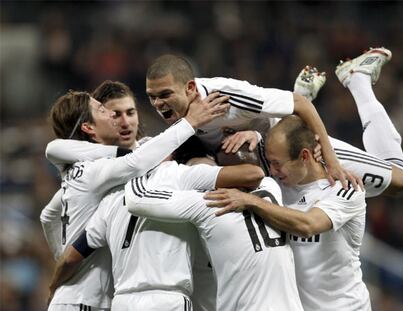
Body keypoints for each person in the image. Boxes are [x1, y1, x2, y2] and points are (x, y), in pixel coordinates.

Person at [41, 81, 229, 310]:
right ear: (89, 127)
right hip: (88, 300)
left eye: (130, 112)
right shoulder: (97, 171)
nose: (118, 119)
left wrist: (59, 259)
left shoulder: (80, 170)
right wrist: (189, 122)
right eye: (106, 112)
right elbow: (135, 163)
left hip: (87, 297)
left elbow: (48, 216)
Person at [47, 139, 265, 310]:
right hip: (168, 298)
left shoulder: (111, 197)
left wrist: (53, 286)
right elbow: (252, 174)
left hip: (122, 301)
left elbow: (71, 258)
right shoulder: (180, 175)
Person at [205, 115, 371, 311]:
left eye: (277, 163)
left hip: (346, 308)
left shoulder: (346, 190)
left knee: (400, 179)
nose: (272, 171)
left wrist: (251, 201)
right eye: (269, 162)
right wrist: (253, 135)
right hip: (296, 307)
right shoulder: (279, 185)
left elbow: (308, 225)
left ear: (305, 156)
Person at [123, 155, 304, 310]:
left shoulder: (207, 203)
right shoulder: (271, 186)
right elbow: (256, 172)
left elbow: (136, 199)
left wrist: (140, 166)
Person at [146, 54, 349, 187]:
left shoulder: (227, 97)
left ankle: (355, 79)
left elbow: (301, 104)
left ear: (190, 88)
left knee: (381, 176)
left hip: (274, 145)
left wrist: (332, 162)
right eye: (151, 96)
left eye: (164, 95)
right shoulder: (176, 108)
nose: (157, 104)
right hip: (217, 152)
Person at [293, 47, 403, 197]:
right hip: (283, 152)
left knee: (399, 178)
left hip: (301, 149)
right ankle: (302, 100)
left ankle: (357, 80)